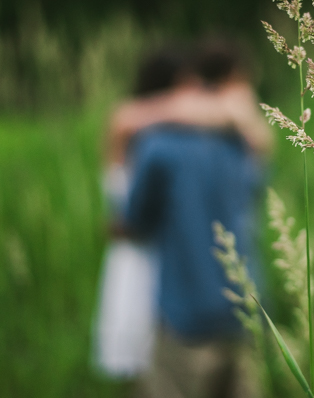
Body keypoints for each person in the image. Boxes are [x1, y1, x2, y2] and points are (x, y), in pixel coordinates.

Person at [93, 44, 271, 383]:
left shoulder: (157, 146)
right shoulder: (236, 142)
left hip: (182, 307)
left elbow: (130, 222)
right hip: (241, 304)